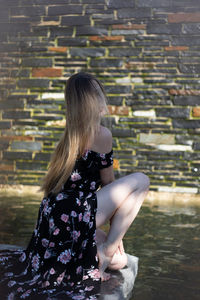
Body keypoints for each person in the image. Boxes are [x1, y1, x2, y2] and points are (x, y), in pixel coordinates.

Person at [0, 72, 149, 299]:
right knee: (141, 181)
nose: (103, 100)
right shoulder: (101, 134)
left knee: (121, 262)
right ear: (90, 102)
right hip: (76, 212)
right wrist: (116, 237)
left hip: (55, 218)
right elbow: (109, 183)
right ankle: (107, 250)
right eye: (99, 95)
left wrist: (110, 234)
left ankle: (106, 249)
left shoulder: (68, 136)